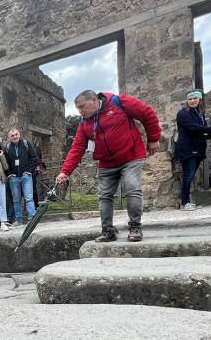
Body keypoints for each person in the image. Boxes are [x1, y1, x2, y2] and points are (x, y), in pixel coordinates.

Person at [56, 90, 161, 243]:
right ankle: (108, 230)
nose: (80, 111)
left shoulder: (119, 102)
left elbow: (147, 113)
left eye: (82, 106)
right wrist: (65, 171)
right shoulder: (84, 122)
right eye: (78, 108)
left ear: (94, 100)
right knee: (104, 195)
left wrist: (153, 138)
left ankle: (135, 227)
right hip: (106, 162)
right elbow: (77, 147)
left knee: (132, 187)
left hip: (131, 156)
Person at [174, 90, 211, 211]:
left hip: (197, 148)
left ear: (200, 100)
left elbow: (202, 132)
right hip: (188, 148)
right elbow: (194, 128)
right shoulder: (183, 114)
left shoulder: (200, 115)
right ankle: (184, 203)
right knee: (188, 176)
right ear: (187, 101)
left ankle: (186, 202)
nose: (192, 101)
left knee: (190, 175)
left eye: (195, 98)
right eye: (190, 99)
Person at [4, 129, 38, 226]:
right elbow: (5, 163)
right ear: (9, 138)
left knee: (29, 198)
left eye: (16, 134)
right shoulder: (7, 147)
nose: (15, 137)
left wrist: (29, 171)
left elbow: (34, 158)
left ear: (19, 135)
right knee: (16, 200)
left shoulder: (26, 144)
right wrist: (9, 174)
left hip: (26, 176)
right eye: (12, 136)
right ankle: (18, 221)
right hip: (14, 178)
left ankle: (32, 219)